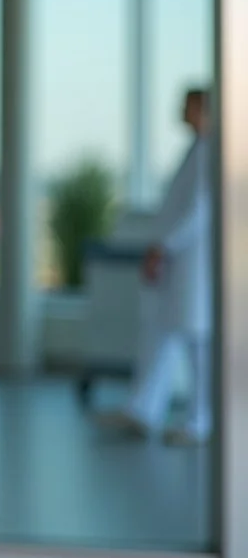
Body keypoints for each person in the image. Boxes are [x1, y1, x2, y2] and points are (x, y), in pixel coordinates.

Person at [97, 87, 213, 445]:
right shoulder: (197, 149)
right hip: (178, 263)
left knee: (197, 342)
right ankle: (143, 409)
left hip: (192, 264)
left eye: (188, 105)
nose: (181, 110)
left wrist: (164, 246)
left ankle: (199, 420)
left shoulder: (210, 152)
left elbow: (198, 211)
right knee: (162, 332)